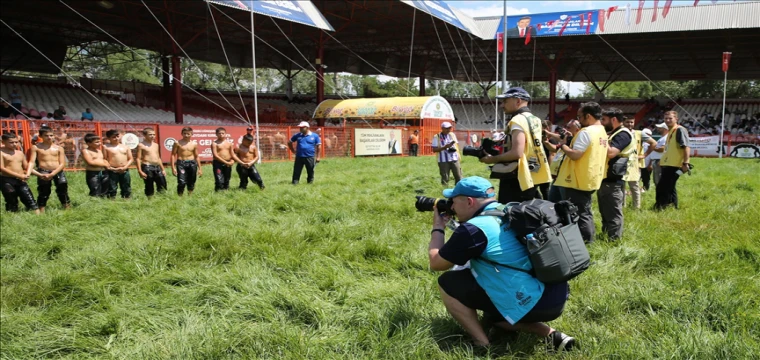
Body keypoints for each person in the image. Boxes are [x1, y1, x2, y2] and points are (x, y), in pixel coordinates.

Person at [428, 176, 575, 351]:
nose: (451, 206)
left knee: (448, 282)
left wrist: (438, 226)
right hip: (556, 294)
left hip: (531, 300)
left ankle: (482, 345)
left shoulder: (474, 229)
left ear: (469, 201)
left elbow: (436, 263)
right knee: (492, 317)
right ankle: (551, 334)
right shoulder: (512, 210)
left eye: (453, 201)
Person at [546, 102, 608, 243]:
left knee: (579, 214)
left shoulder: (586, 132)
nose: (578, 120)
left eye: (579, 117)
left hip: (575, 179)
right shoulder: (601, 131)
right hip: (587, 177)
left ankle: (585, 243)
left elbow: (575, 155)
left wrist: (563, 146)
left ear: (588, 116)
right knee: (583, 211)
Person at [481, 87, 551, 204]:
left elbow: (517, 152)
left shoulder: (517, 120)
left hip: (518, 175)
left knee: (511, 211)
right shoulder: (536, 119)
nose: (502, 105)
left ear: (518, 101)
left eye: (505, 101)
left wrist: (492, 159)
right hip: (534, 171)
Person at [597, 108, 633, 241]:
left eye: (604, 120)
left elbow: (611, 152)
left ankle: (614, 240)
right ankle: (606, 236)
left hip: (613, 180)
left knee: (613, 212)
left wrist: (602, 139)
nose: (602, 122)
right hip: (607, 179)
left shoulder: (623, 134)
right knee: (606, 211)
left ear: (613, 120)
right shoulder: (614, 133)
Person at [27, 126, 71, 212]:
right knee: (44, 191)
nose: (49, 137)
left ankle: (67, 208)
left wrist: (53, 173)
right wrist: (29, 173)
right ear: (41, 136)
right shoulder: (36, 147)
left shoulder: (59, 148)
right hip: (43, 171)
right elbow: (31, 162)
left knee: (63, 188)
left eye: (51, 135)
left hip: (57, 171)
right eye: (46, 135)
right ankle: (41, 209)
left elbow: (62, 164)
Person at [655, 111, 690, 210]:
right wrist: (662, 160)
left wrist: (686, 163)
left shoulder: (679, 130)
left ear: (676, 119)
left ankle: (661, 206)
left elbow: (686, 147)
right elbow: (668, 149)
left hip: (675, 164)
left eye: (670, 118)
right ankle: (673, 206)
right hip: (668, 163)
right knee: (670, 186)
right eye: (666, 118)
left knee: (663, 187)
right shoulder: (671, 131)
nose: (667, 120)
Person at [1, 133, 40, 214]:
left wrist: (40, 175)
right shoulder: (1, 153)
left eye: (16, 142)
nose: (14, 144)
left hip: (21, 180)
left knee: (29, 199)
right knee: (11, 201)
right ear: (3, 142)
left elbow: (26, 167)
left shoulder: (20, 153)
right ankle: (12, 218)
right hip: (7, 180)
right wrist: (20, 175)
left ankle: (39, 217)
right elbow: (2, 168)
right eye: (11, 142)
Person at [544, 120, 581, 202]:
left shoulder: (578, 142)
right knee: (552, 203)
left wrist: (564, 143)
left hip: (568, 180)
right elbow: (555, 149)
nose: (565, 129)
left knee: (565, 205)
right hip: (558, 178)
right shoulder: (566, 140)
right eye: (566, 126)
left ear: (577, 130)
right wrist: (546, 142)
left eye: (568, 127)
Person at [623, 118, 656, 209]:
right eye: (627, 122)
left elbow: (653, 143)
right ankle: (623, 206)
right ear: (623, 122)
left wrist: (644, 155)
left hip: (635, 163)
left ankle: (636, 207)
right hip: (621, 161)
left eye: (631, 122)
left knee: (634, 185)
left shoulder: (639, 133)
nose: (629, 124)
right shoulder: (619, 132)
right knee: (621, 186)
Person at [136, 127, 167, 197]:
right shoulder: (141, 145)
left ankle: (162, 199)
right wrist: (140, 171)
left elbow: (158, 158)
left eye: (154, 134)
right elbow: (138, 158)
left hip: (157, 167)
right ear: (145, 135)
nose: (152, 136)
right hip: (147, 167)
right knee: (149, 185)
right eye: (150, 134)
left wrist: (163, 169)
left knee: (162, 184)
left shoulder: (156, 145)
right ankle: (150, 200)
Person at [171, 127, 202, 195]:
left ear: (192, 134)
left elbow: (197, 156)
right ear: (181, 134)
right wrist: (173, 168)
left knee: (192, 181)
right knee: (181, 181)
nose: (186, 135)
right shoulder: (177, 143)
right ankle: (180, 197)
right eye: (184, 133)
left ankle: (190, 196)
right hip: (181, 163)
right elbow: (173, 155)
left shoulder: (194, 144)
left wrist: (200, 168)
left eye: (188, 134)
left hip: (192, 163)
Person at [103, 129, 133, 199]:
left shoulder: (125, 146)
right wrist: (110, 167)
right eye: (113, 137)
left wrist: (125, 167)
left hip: (125, 169)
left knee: (126, 186)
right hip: (113, 170)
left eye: (117, 136)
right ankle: (112, 200)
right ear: (109, 138)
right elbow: (104, 159)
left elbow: (131, 158)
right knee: (112, 187)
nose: (116, 138)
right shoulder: (106, 147)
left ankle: (126, 199)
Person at [211, 127, 234, 192]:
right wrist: (227, 163)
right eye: (219, 133)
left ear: (225, 134)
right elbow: (215, 155)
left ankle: (226, 192)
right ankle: (218, 193)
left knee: (227, 179)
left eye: (223, 133)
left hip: (228, 163)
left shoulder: (229, 143)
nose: (221, 135)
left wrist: (232, 160)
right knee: (219, 180)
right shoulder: (214, 143)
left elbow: (232, 154)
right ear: (216, 134)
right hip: (218, 163)